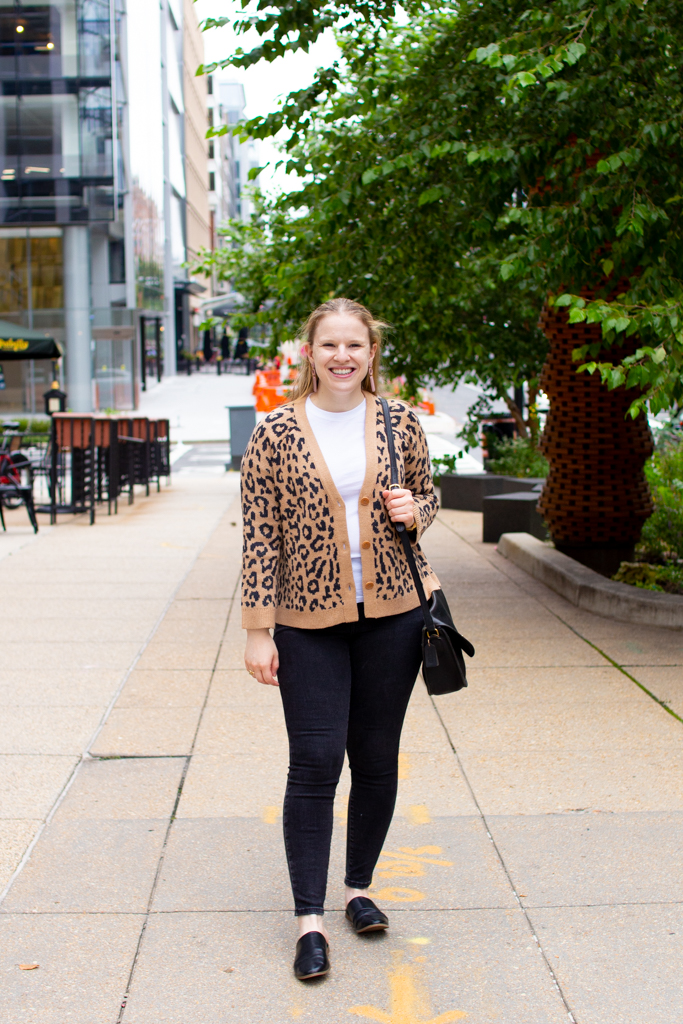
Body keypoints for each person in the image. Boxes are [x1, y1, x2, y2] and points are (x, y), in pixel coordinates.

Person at [241, 297, 440, 980]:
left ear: (371, 352)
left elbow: (426, 495)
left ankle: (357, 888)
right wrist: (257, 631)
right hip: (306, 621)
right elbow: (260, 536)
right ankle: (308, 921)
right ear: (309, 352)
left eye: (354, 345)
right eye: (329, 345)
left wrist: (418, 510)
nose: (342, 357)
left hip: (393, 615)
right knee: (315, 760)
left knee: (377, 758)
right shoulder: (274, 432)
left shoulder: (398, 422)